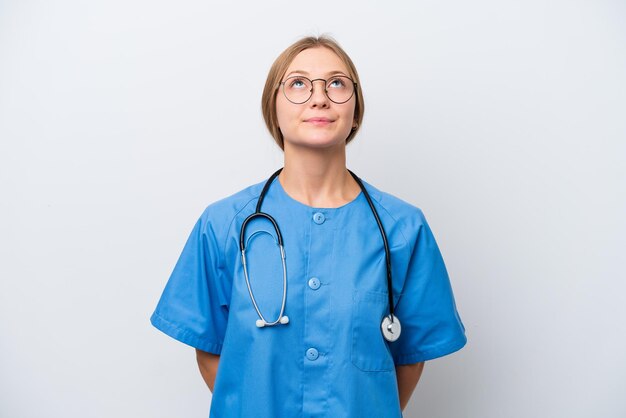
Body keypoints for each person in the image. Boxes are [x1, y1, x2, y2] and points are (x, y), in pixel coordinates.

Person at [150, 35, 466, 418]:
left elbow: (411, 358)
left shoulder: (402, 228)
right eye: (298, 83)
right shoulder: (223, 225)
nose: (320, 98)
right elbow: (210, 350)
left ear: (355, 108)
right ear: (274, 105)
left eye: (336, 83)